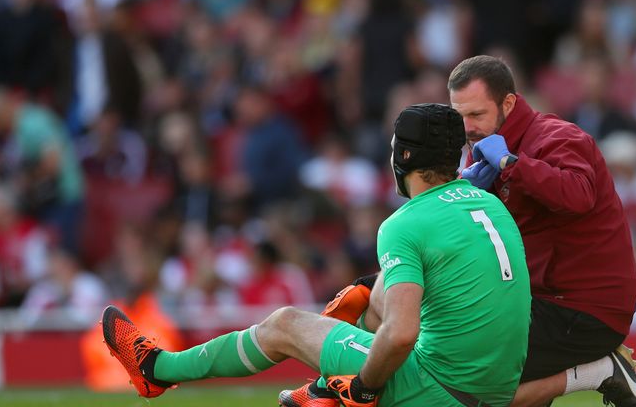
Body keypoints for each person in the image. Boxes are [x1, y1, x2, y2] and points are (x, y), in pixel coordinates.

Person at [102, 103, 532, 406]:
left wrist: (364, 387)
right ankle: (325, 389)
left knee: (285, 324)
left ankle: (156, 369)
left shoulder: (404, 223)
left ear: (403, 156)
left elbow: (402, 334)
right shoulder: (488, 201)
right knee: (374, 296)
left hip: (440, 392)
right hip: (495, 390)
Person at [453, 55, 636, 407]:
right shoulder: (481, 153)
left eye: (476, 115)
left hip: (585, 307)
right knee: (464, 378)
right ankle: (599, 370)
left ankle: (600, 370)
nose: (467, 127)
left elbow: (578, 195)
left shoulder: (558, 137)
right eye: (460, 116)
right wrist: (461, 197)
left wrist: (512, 165)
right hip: (537, 303)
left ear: (508, 103)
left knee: (467, 382)